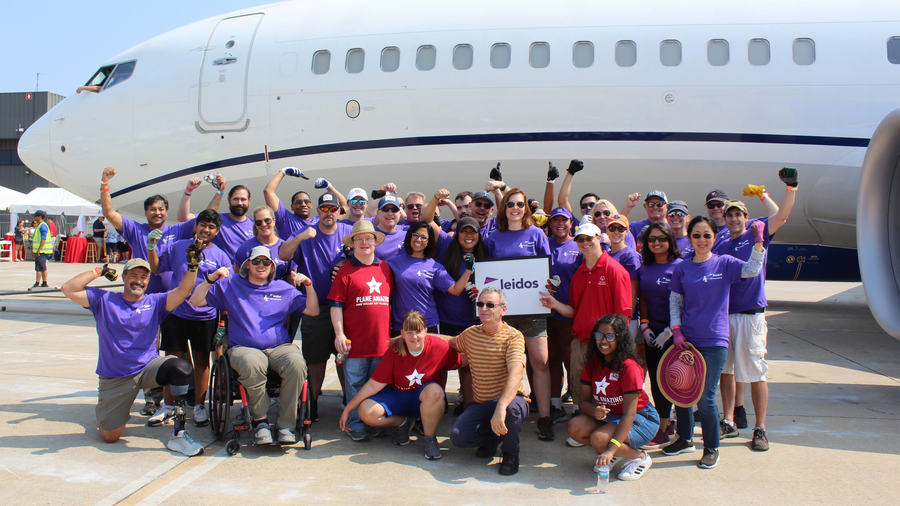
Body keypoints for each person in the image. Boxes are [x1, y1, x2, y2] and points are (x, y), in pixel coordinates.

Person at [60, 256, 205, 456]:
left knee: (180, 367)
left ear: (148, 281)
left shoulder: (155, 301)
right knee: (110, 436)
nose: (139, 281)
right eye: (134, 276)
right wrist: (98, 272)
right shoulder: (104, 300)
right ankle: (110, 412)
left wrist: (193, 266)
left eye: (144, 277)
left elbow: (183, 291)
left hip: (147, 368)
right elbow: (68, 288)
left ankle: (179, 433)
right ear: (124, 277)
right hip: (116, 377)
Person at [661, 215, 766, 469]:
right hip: (686, 340)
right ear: (691, 238)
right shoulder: (682, 268)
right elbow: (675, 302)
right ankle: (685, 438)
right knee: (682, 393)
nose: (701, 240)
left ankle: (711, 447)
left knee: (705, 397)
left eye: (707, 235)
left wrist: (759, 241)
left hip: (714, 341)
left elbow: (752, 270)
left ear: (714, 237)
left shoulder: (725, 263)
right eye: (696, 235)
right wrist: (676, 331)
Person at [190, 246, 319, 445]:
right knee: (251, 364)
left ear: (272, 266)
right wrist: (211, 278)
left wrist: (308, 285)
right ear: (247, 264)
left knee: (297, 363)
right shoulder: (231, 284)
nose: (261, 265)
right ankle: (261, 421)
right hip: (244, 347)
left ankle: (286, 425)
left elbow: (312, 310)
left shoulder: (283, 289)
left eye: (266, 262)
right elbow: (195, 300)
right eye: (257, 261)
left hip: (279, 346)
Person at [716, 168, 797, 452]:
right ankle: (728, 420)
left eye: (739, 214)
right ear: (724, 219)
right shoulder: (719, 241)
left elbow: (782, 215)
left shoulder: (757, 232)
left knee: (755, 372)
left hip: (751, 314)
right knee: (725, 371)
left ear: (746, 217)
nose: (734, 218)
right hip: (724, 315)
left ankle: (760, 428)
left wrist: (778, 191)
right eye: (730, 214)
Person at [538, 221, 632, 422]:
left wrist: (614, 346)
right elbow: (574, 311)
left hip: (607, 345)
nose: (584, 242)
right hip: (581, 342)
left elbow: (623, 316)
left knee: (606, 391)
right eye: (580, 239)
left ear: (599, 238)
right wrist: (554, 304)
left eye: (589, 238)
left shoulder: (615, 270)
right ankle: (583, 425)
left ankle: (602, 428)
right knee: (582, 389)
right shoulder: (579, 274)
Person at [339, 311, 463, 460]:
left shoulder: (439, 347)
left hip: (424, 398)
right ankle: (404, 422)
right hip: (397, 396)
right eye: (409, 332)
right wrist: (349, 407)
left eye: (418, 331)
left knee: (435, 391)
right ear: (402, 333)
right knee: (366, 411)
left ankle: (430, 439)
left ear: (425, 331)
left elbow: (462, 361)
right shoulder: (394, 350)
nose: (414, 337)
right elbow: (373, 385)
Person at [484, 188, 556, 440]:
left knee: (540, 362)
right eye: (510, 204)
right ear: (503, 208)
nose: (515, 208)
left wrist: (551, 285)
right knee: (503, 365)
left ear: (526, 207)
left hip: (533, 310)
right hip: (504, 313)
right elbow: (488, 276)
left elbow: (547, 269)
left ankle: (545, 417)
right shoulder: (494, 237)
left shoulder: (536, 234)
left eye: (520, 204)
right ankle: (499, 414)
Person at [147, 209, 230, 428]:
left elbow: (225, 291)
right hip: (176, 313)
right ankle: (168, 405)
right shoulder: (177, 247)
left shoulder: (221, 256)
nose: (206, 230)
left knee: (202, 363)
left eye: (212, 227)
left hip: (205, 317)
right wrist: (151, 247)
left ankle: (199, 406)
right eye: (203, 224)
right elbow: (156, 268)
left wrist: (223, 322)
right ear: (196, 226)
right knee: (172, 361)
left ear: (217, 231)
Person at [280, 191, 353, 420]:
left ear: (339, 211)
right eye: (324, 209)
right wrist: (300, 238)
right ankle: (311, 403)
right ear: (318, 211)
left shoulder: (348, 232)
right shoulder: (306, 231)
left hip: (346, 306)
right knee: (315, 359)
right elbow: (283, 254)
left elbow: (366, 256)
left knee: (345, 357)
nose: (329, 213)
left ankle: (348, 400)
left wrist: (346, 261)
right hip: (317, 307)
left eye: (333, 209)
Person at [567, 314, 659, 481]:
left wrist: (609, 450)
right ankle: (616, 450)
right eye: (599, 335)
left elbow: (630, 414)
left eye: (610, 336)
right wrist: (594, 410)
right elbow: (583, 403)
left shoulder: (629, 367)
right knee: (575, 427)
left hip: (640, 418)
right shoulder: (593, 362)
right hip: (613, 417)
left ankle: (639, 457)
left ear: (620, 339)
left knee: (599, 439)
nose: (604, 341)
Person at [447, 287, 528, 476]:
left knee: (510, 410)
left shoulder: (514, 336)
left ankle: (510, 454)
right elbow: (451, 342)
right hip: (482, 403)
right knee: (459, 438)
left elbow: (516, 374)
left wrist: (500, 407)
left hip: (510, 400)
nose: (484, 308)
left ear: (503, 310)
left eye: (490, 305)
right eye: (480, 304)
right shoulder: (470, 334)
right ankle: (492, 438)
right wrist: (421, 336)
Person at [329, 220, 395, 441]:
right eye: (359, 239)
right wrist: (339, 334)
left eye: (368, 238)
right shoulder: (344, 272)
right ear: (353, 244)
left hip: (382, 343)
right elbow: (336, 306)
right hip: (355, 344)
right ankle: (356, 423)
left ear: (375, 242)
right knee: (355, 386)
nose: (364, 243)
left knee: (378, 387)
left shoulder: (385, 268)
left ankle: (372, 421)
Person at [99, 167, 196, 293]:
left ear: (166, 212)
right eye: (152, 209)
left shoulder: (178, 230)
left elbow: (207, 220)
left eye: (161, 209)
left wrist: (216, 192)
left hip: (172, 298)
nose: (157, 213)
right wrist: (104, 183)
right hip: (143, 297)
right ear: (146, 213)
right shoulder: (135, 230)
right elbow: (109, 212)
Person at [637, 222, 683, 447]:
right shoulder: (644, 267)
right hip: (653, 334)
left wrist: (673, 330)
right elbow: (643, 297)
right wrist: (645, 326)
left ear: (670, 241)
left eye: (661, 239)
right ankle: (664, 422)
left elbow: (686, 302)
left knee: (673, 381)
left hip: (676, 333)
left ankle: (666, 426)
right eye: (652, 239)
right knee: (656, 381)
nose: (656, 243)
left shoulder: (681, 266)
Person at [387, 222, 472, 334]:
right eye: (416, 235)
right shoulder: (393, 262)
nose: (418, 240)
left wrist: (468, 270)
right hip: (401, 325)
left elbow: (456, 290)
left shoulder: (434, 266)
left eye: (424, 237)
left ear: (428, 242)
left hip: (428, 324)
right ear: (409, 237)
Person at [546, 206, 579, 423]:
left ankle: (578, 405)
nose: (560, 224)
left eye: (564, 220)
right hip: (547, 315)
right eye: (556, 220)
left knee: (573, 362)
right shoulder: (543, 245)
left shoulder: (579, 244)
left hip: (571, 315)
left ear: (571, 223)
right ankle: (555, 404)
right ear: (550, 224)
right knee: (552, 361)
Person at [178, 175, 254, 261]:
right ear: (229, 200)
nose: (239, 203)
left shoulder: (255, 225)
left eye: (243, 199)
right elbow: (183, 217)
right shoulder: (218, 220)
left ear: (249, 201)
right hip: (220, 271)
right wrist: (189, 190)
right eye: (236, 199)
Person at [264, 167, 348, 238]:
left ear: (312, 206)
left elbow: (345, 206)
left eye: (307, 202)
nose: (303, 205)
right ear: (292, 207)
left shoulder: (322, 220)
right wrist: (282, 172)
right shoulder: (285, 219)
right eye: (298, 203)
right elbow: (268, 191)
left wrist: (329, 187)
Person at [606, 214, 642, 347]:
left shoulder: (631, 256)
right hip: (608, 316)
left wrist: (624, 322)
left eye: (621, 229)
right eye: (612, 228)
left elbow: (633, 291)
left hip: (625, 319)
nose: (616, 232)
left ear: (627, 232)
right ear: (606, 230)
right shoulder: (606, 255)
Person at [234, 205, 293, 280]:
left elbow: (291, 281)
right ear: (255, 224)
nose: (264, 224)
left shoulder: (285, 247)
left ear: (274, 221)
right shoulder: (245, 248)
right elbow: (237, 280)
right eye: (259, 222)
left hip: (279, 291)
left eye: (267, 220)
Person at [373, 195, 409, 261]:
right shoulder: (369, 235)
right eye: (385, 209)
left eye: (394, 210)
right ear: (378, 213)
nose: (390, 213)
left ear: (400, 213)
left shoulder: (408, 236)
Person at [31, 210, 53, 288]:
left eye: (36, 216)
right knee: (40, 267)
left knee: (40, 267)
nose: (34, 217)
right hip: (42, 250)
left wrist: (39, 250)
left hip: (43, 251)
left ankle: (39, 283)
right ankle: (43, 282)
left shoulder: (42, 226)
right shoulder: (39, 225)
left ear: (40, 217)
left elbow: (43, 239)